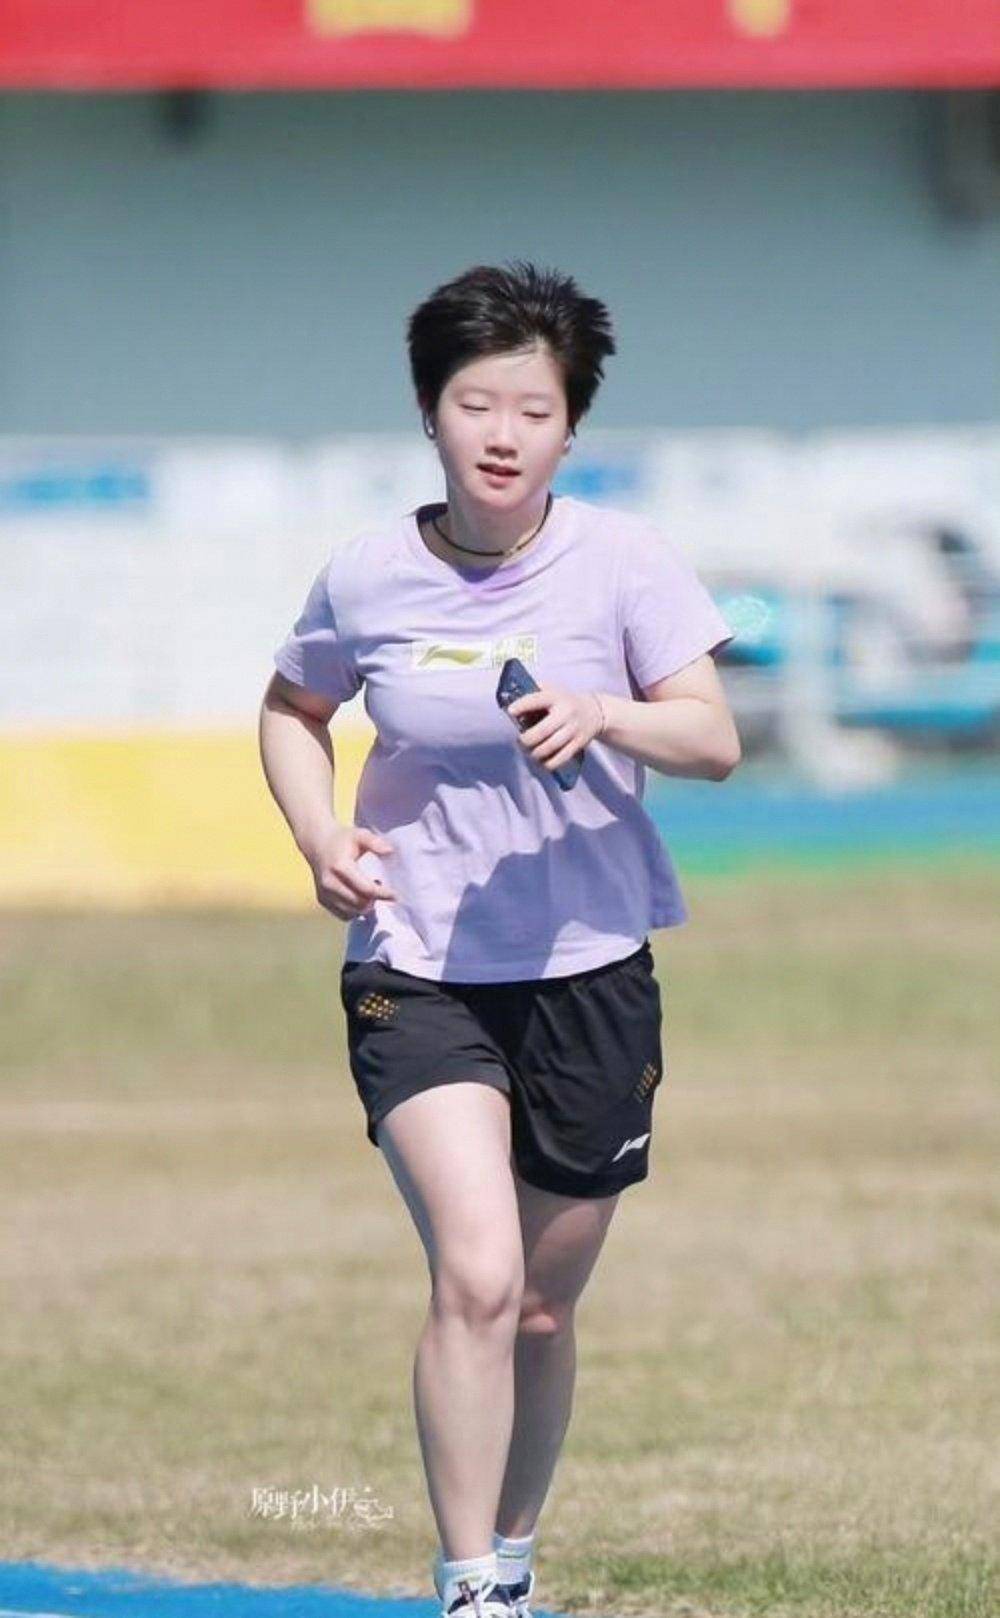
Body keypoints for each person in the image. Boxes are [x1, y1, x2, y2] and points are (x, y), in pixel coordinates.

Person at [258, 260, 740, 1618]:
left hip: (590, 968)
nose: (504, 434)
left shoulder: (626, 560)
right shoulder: (368, 573)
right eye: (477, 404)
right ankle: (472, 1585)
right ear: (431, 411)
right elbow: (293, 708)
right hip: (416, 967)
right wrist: (318, 834)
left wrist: (606, 710)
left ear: (571, 429)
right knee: (477, 1274)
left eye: (535, 409)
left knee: (540, 1303)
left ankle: (516, 1556)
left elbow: (713, 738)